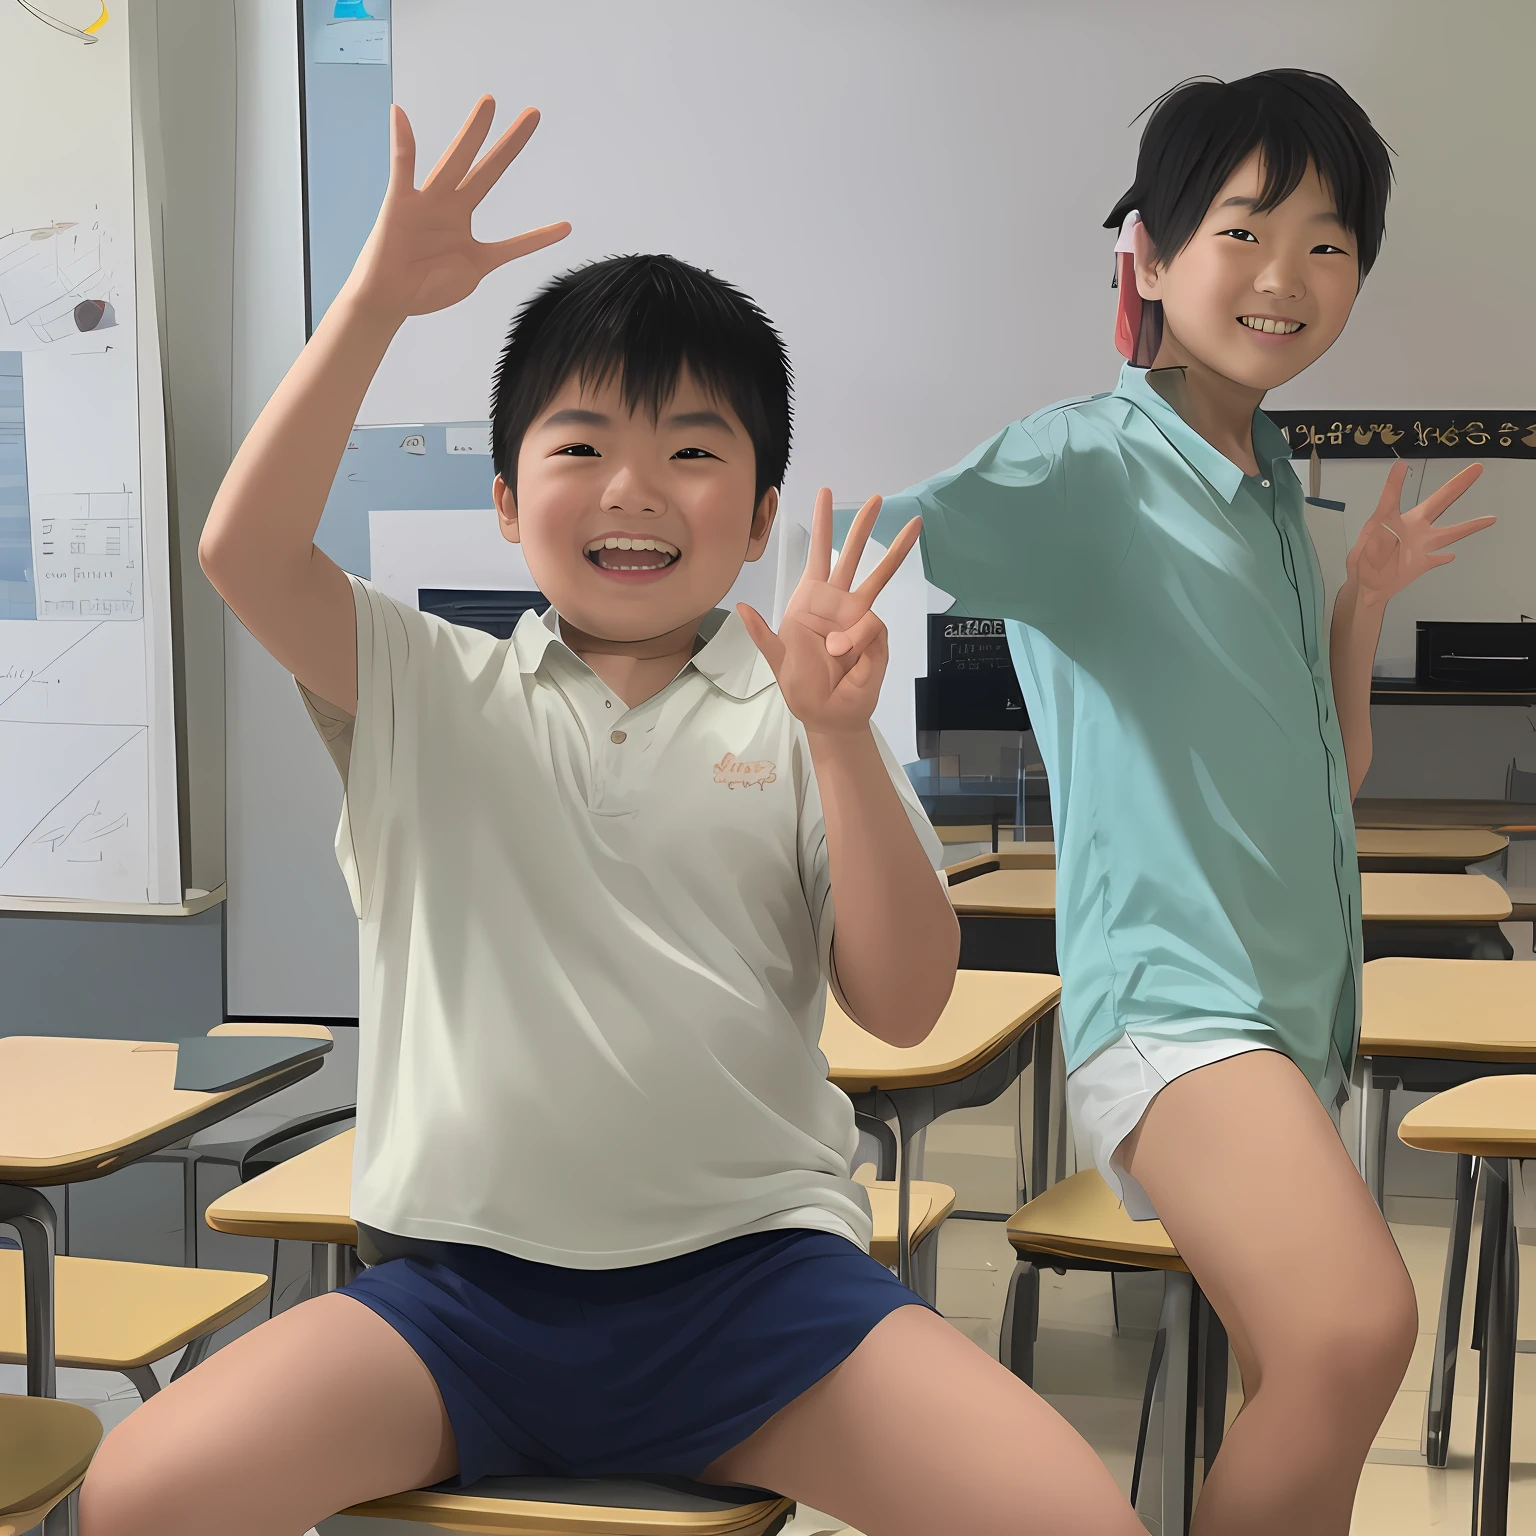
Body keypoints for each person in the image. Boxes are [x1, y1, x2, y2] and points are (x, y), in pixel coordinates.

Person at [80, 98, 1145, 1536]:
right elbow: (243, 547)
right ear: (511, 497)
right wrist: (380, 302)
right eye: (580, 449)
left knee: (1073, 1520)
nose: (634, 491)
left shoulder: (800, 714)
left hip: (762, 1295)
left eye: (694, 453)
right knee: (141, 1493)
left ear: (762, 513)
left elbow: (904, 1008)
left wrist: (838, 737)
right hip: (456, 1299)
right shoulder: (422, 684)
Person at [870, 69, 1493, 1536]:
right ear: (1148, 258)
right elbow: (883, 539)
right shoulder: (1094, 458)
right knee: (1358, 1333)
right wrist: (807, 712)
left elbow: (1327, 776)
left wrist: (1360, 610)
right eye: (1246, 227)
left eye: (1330, 242)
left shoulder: (1270, 480)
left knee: (1306, 1377)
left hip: (1287, 1015)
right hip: (1174, 1008)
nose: (1288, 276)